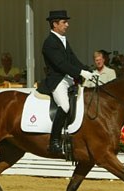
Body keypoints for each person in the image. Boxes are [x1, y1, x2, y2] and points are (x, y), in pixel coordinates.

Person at [37, 10, 93, 154]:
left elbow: (73, 60)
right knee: (65, 106)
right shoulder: (49, 43)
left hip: (67, 78)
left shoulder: (64, 40)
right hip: (57, 80)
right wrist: (80, 72)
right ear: (55, 24)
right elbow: (61, 64)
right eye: (64, 22)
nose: (67, 25)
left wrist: (88, 70)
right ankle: (54, 141)